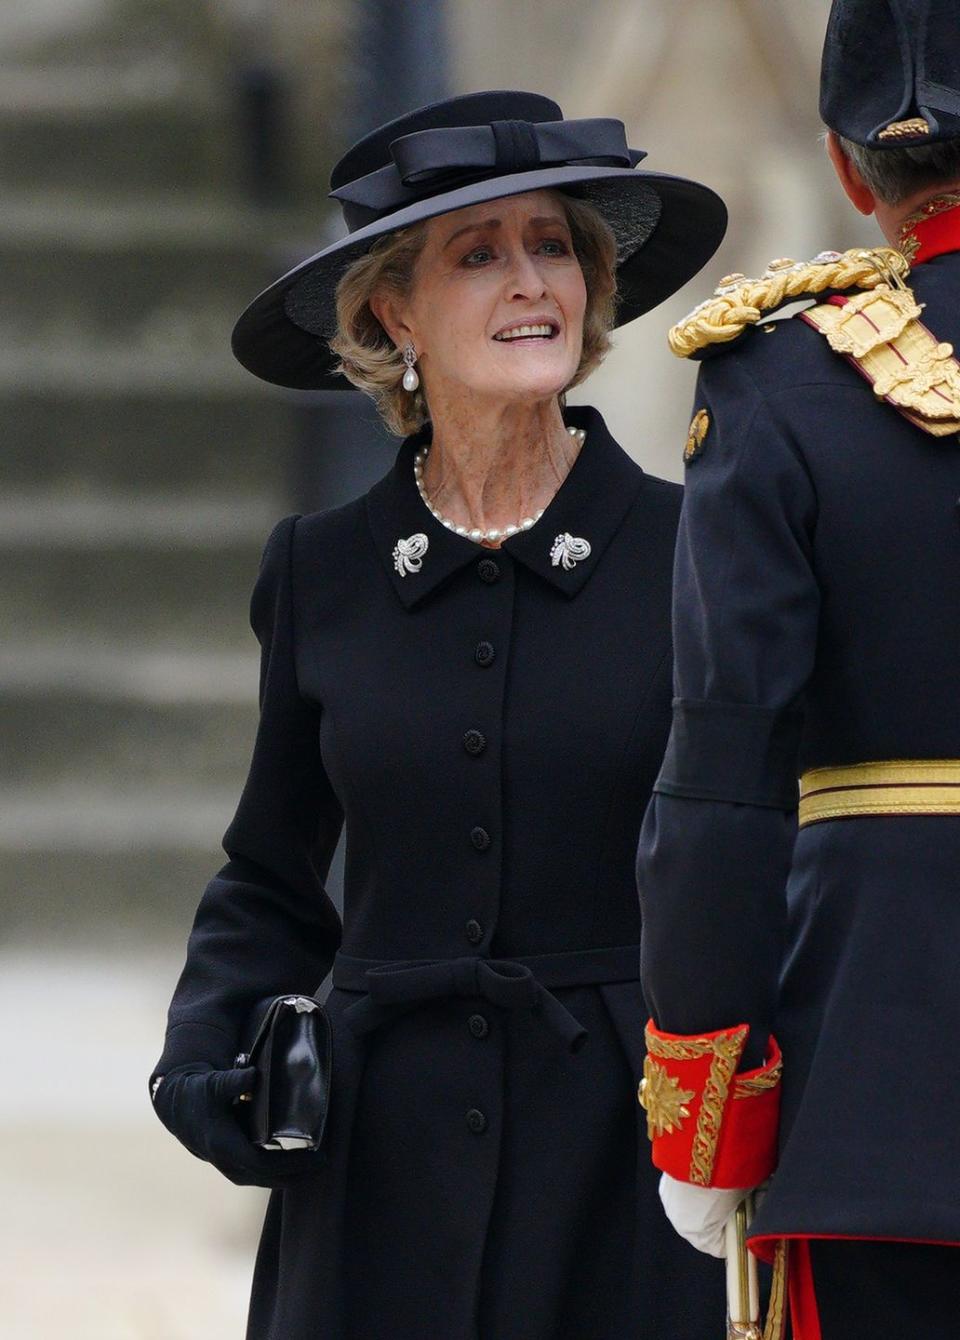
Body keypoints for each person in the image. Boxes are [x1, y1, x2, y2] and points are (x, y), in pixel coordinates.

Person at [149, 90, 729, 1339]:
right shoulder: (321, 568)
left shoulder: (698, 553)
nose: (533, 281)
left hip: (627, 1174)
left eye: (554, 245)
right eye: (479, 253)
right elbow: (271, 867)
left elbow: (759, 850)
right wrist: (206, 1052)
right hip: (376, 1172)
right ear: (390, 312)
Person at [635, 2, 960, 1337]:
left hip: (877, 1093)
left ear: (845, 169)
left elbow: (722, 784)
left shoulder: (779, 380)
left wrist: (706, 1112)